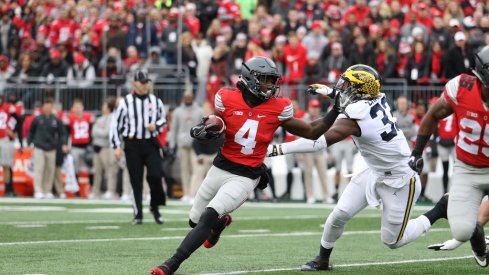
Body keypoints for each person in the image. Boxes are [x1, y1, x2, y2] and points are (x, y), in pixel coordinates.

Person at [151, 56, 353, 275]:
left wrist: (335, 109)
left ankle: (171, 264)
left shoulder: (278, 107)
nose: (270, 85)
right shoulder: (226, 98)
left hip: (245, 176)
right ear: (250, 78)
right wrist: (202, 132)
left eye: (272, 80)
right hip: (220, 166)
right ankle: (220, 224)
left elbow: (312, 131)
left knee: (208, 216)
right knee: (194, 221)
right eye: (265, 80)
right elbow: (215, 126)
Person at [266, 64, 446, 271]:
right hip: (374, 170)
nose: (341, 88)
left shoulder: (357, 116)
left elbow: (317, 141)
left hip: (400, 179)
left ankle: (439, 210)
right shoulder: (377, 97)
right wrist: (329, 91)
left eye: (346, 85)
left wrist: (276, 149)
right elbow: (351, 98)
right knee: (339, 213)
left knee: (393, 241)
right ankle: (322, 259)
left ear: (359, 90)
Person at [408, 46, 489, 267]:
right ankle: (480, 246)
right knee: (462, 231)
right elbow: (433, 115)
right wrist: (417, 152)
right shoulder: (461, 88)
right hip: (468, 169)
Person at [110, 70, 167, 225]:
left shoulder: (156, 101)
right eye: (142, 82)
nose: (145, 85)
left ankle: (154, 207)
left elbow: (163, 120)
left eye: (146, 82)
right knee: (135, 180)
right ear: (134, 84)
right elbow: (116, 125)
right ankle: (138, 213)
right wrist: (116, 146)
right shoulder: (125, 102)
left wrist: (155, 125)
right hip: (132, 143)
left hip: (150, 142)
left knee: (156, 175)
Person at [27, 98, 68, 199]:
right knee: (39, 169)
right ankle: (38, 190)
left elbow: (63, 133)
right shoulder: (37, 119)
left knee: (50, 170)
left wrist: (64, 144)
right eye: (46, 106)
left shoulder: (55, 120)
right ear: (43, 108)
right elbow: (31, 132)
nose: (48, 109)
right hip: (39, 147)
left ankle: (47, 190)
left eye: (50, 107)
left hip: (51, 148)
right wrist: (29, 143)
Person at [91, 97, 118, 199]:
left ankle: (110, 190)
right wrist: (98, 131)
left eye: (104, 105)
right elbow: (93, 131)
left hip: (106, 147)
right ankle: (95, 191)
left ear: (108, 107)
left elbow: (107, 132)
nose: (103, 107)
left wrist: (97, 131)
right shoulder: (100, 118)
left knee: (109, 170)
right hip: (97, 147)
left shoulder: (112, 117)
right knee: (96, 171)